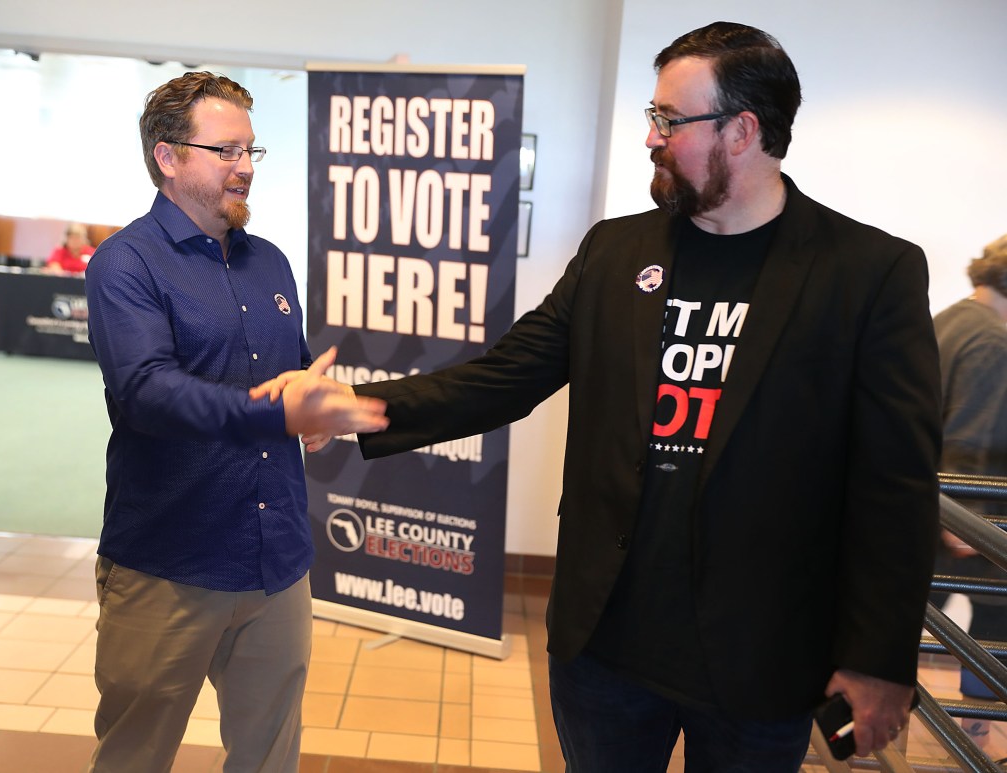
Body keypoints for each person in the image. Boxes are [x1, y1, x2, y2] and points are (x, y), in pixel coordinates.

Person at [291, 21, 941, 771]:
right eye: (652, 118)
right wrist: (356, 407)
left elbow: (895, 488)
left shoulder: (867, 273)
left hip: (758, 661)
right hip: (605, 649)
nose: (651, 138)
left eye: (669, 119)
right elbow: (506, 375)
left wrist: (880, 660)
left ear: (743, 130)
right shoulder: (616, 252)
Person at [83, 71, 388, 773]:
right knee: (134, 755)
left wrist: (313, 407)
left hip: (275, 561)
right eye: (226, 151)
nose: (245, 167)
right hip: (167, 563)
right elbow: (146, 393)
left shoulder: (270, 263)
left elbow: (289, 374)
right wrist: (271, 411)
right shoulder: (125, 265)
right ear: (168, 155)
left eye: (252, 151)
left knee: (270, 757)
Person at [932, 233, 1007, 757]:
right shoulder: (994, 340)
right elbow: (969, 438)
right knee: (995, 621)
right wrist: (971, 528)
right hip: (956, 518)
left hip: (921, 509)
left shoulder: (952, 317)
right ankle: (974, 744)